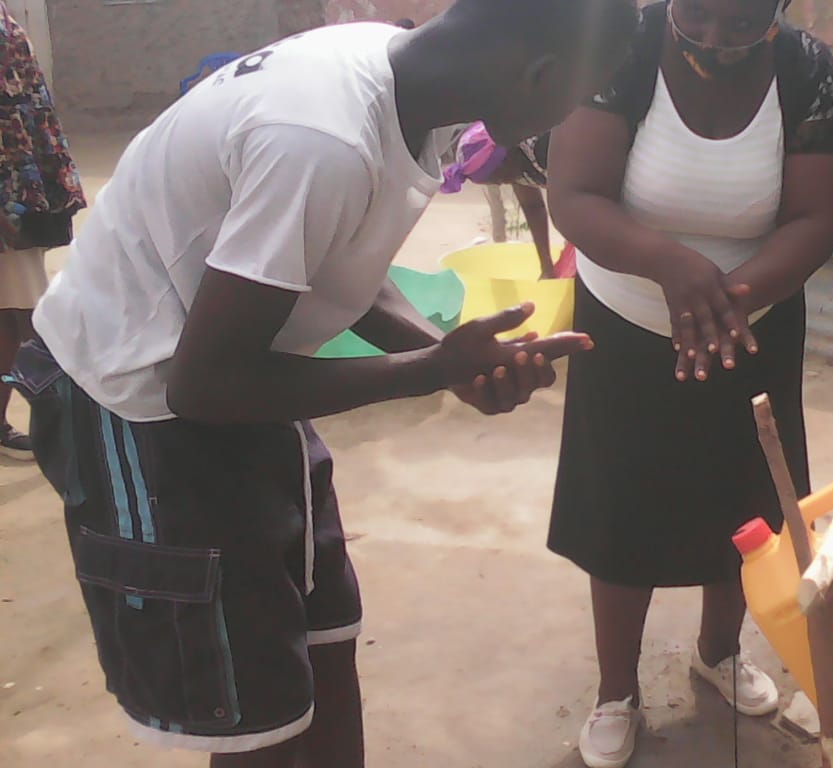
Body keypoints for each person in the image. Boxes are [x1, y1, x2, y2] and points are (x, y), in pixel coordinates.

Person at [7, 1, 637, 766]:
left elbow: (340, 266)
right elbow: (201, 385)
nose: (561, 126)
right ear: (539, 76)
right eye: (573, 100)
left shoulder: (406, 80)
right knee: (254, 716)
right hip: (136, 404)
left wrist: (447, 354)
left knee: (324, 644)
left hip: (245, 377)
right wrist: (426, 372)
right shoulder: (321, 138)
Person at [546, 0, 833, 765]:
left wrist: (726, 301)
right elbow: (575, 195)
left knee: (745, 498)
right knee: (622, 502)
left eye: (743, 21)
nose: (715, 38)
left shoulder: (809, 72)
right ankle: (617, 691)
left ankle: (718, 653)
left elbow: (816, 217)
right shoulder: (621, 51)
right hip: (623, 319)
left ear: (777, 12)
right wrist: (673, 267)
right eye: (699, 14)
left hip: (753, 320)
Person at [0, 2, 84, 459]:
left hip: (20, 180)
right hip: (7, 189)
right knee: (27, 313)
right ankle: (63, 415)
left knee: (16, 312)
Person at [441, 122, 568, 278]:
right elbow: (533, 207)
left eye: (499, 176)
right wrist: (546, 267)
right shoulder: (515, 170)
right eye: (497, 182)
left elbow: (577, 196)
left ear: (506, 155)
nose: (503, 182)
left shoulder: (543, 148)